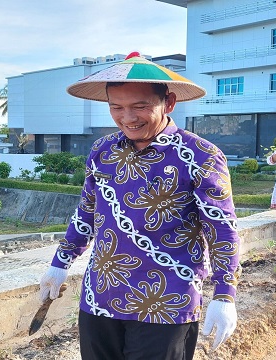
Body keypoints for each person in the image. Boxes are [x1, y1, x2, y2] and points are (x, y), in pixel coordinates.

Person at [37, 52, 241, 360]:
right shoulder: (102, 150)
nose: (128, 118)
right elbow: (87, 211)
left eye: (140, 106)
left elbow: (222, 229)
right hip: (100, 296)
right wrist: (59, 264)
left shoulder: (201, 155)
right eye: (116, 107)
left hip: (167, 302)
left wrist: (224, 294)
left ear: (168, 103)